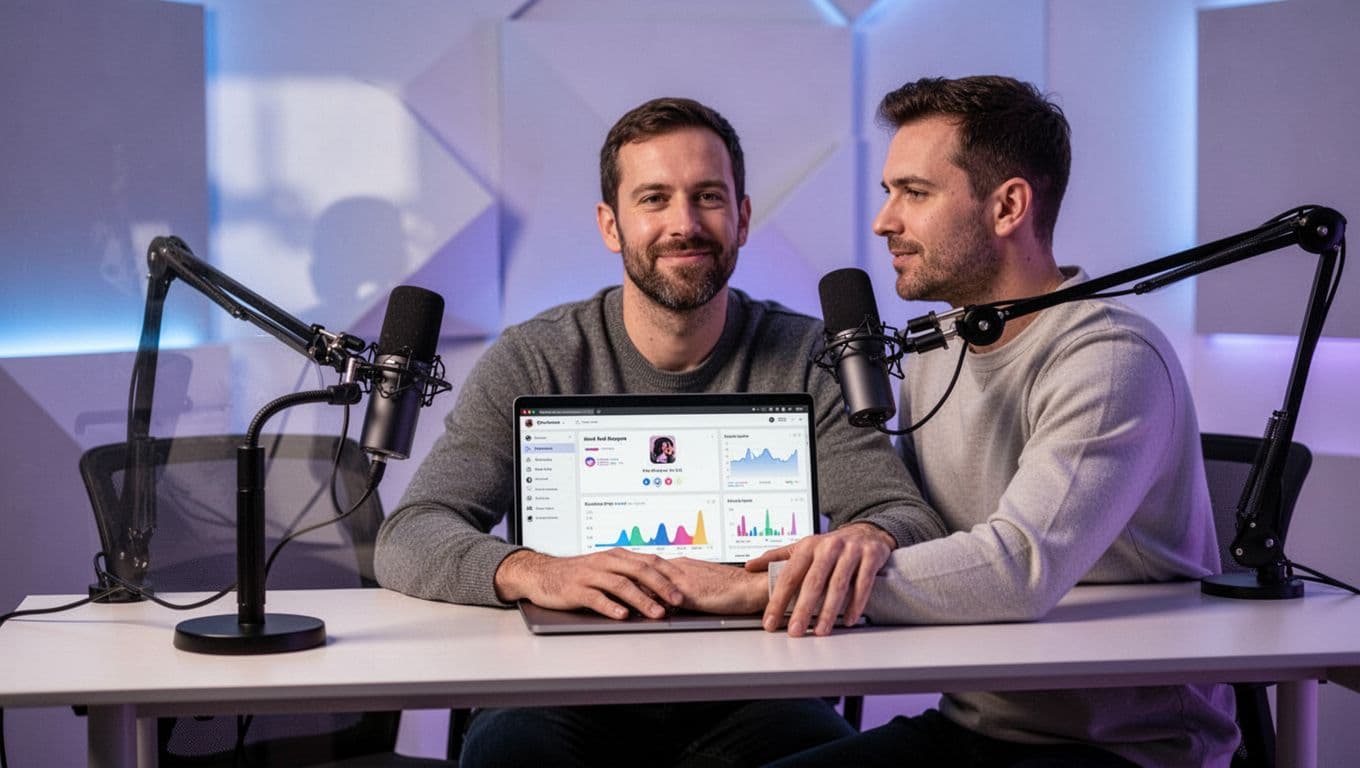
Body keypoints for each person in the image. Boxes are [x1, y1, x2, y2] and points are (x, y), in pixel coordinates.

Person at [373, 97, 945, 768]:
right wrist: (533, 571)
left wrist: (866, 538)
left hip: (756, 685)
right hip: (561, 691)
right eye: (654, 199)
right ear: (610, 225)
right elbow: (409, 533)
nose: (684, 224)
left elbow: (905, 518)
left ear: (743, 218)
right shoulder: (535, 357)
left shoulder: (810, 355)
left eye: (708, 197)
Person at [753, 76, 1239, 767]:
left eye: (914, 193)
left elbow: (1017, 569)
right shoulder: (937, 347)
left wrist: (752, 590)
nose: (884, 221)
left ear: (1008, 205)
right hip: (977, 727)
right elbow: (916, 529)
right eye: (890, 192)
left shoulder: (1107, 356)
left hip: (1124, 749)